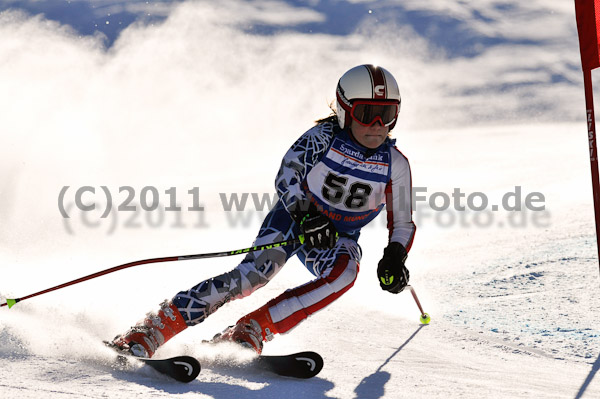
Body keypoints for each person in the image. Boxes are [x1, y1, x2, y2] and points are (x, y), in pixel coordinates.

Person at [110, 64, 416, 358]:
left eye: (386, 115)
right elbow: (287, 175)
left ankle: (252, 329)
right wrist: (306, 215)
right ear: (344, 111)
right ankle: (153, 328)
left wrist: (394, 257)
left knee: (345, 273)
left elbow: (403, 222)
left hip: (333, 238)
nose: (377, 126)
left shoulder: (395, 164)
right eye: (366, 114)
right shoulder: (323, 138)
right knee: (251, 277)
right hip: (294, 221)